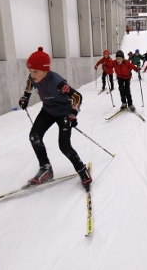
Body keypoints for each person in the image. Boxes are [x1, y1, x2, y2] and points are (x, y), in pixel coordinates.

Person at [18, 47, 92, 190]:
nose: (32, 74)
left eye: (35, 71)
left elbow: (77, 96)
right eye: (30, 70)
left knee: (64, 146)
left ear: (45, 70)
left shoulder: (57, 82)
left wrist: (73, 113)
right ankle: (46, 169)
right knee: (34, 136)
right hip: (47, 110)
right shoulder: (33, 78)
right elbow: (29, 83)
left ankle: (82, 170)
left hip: (64, 112)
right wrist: (25, 96)